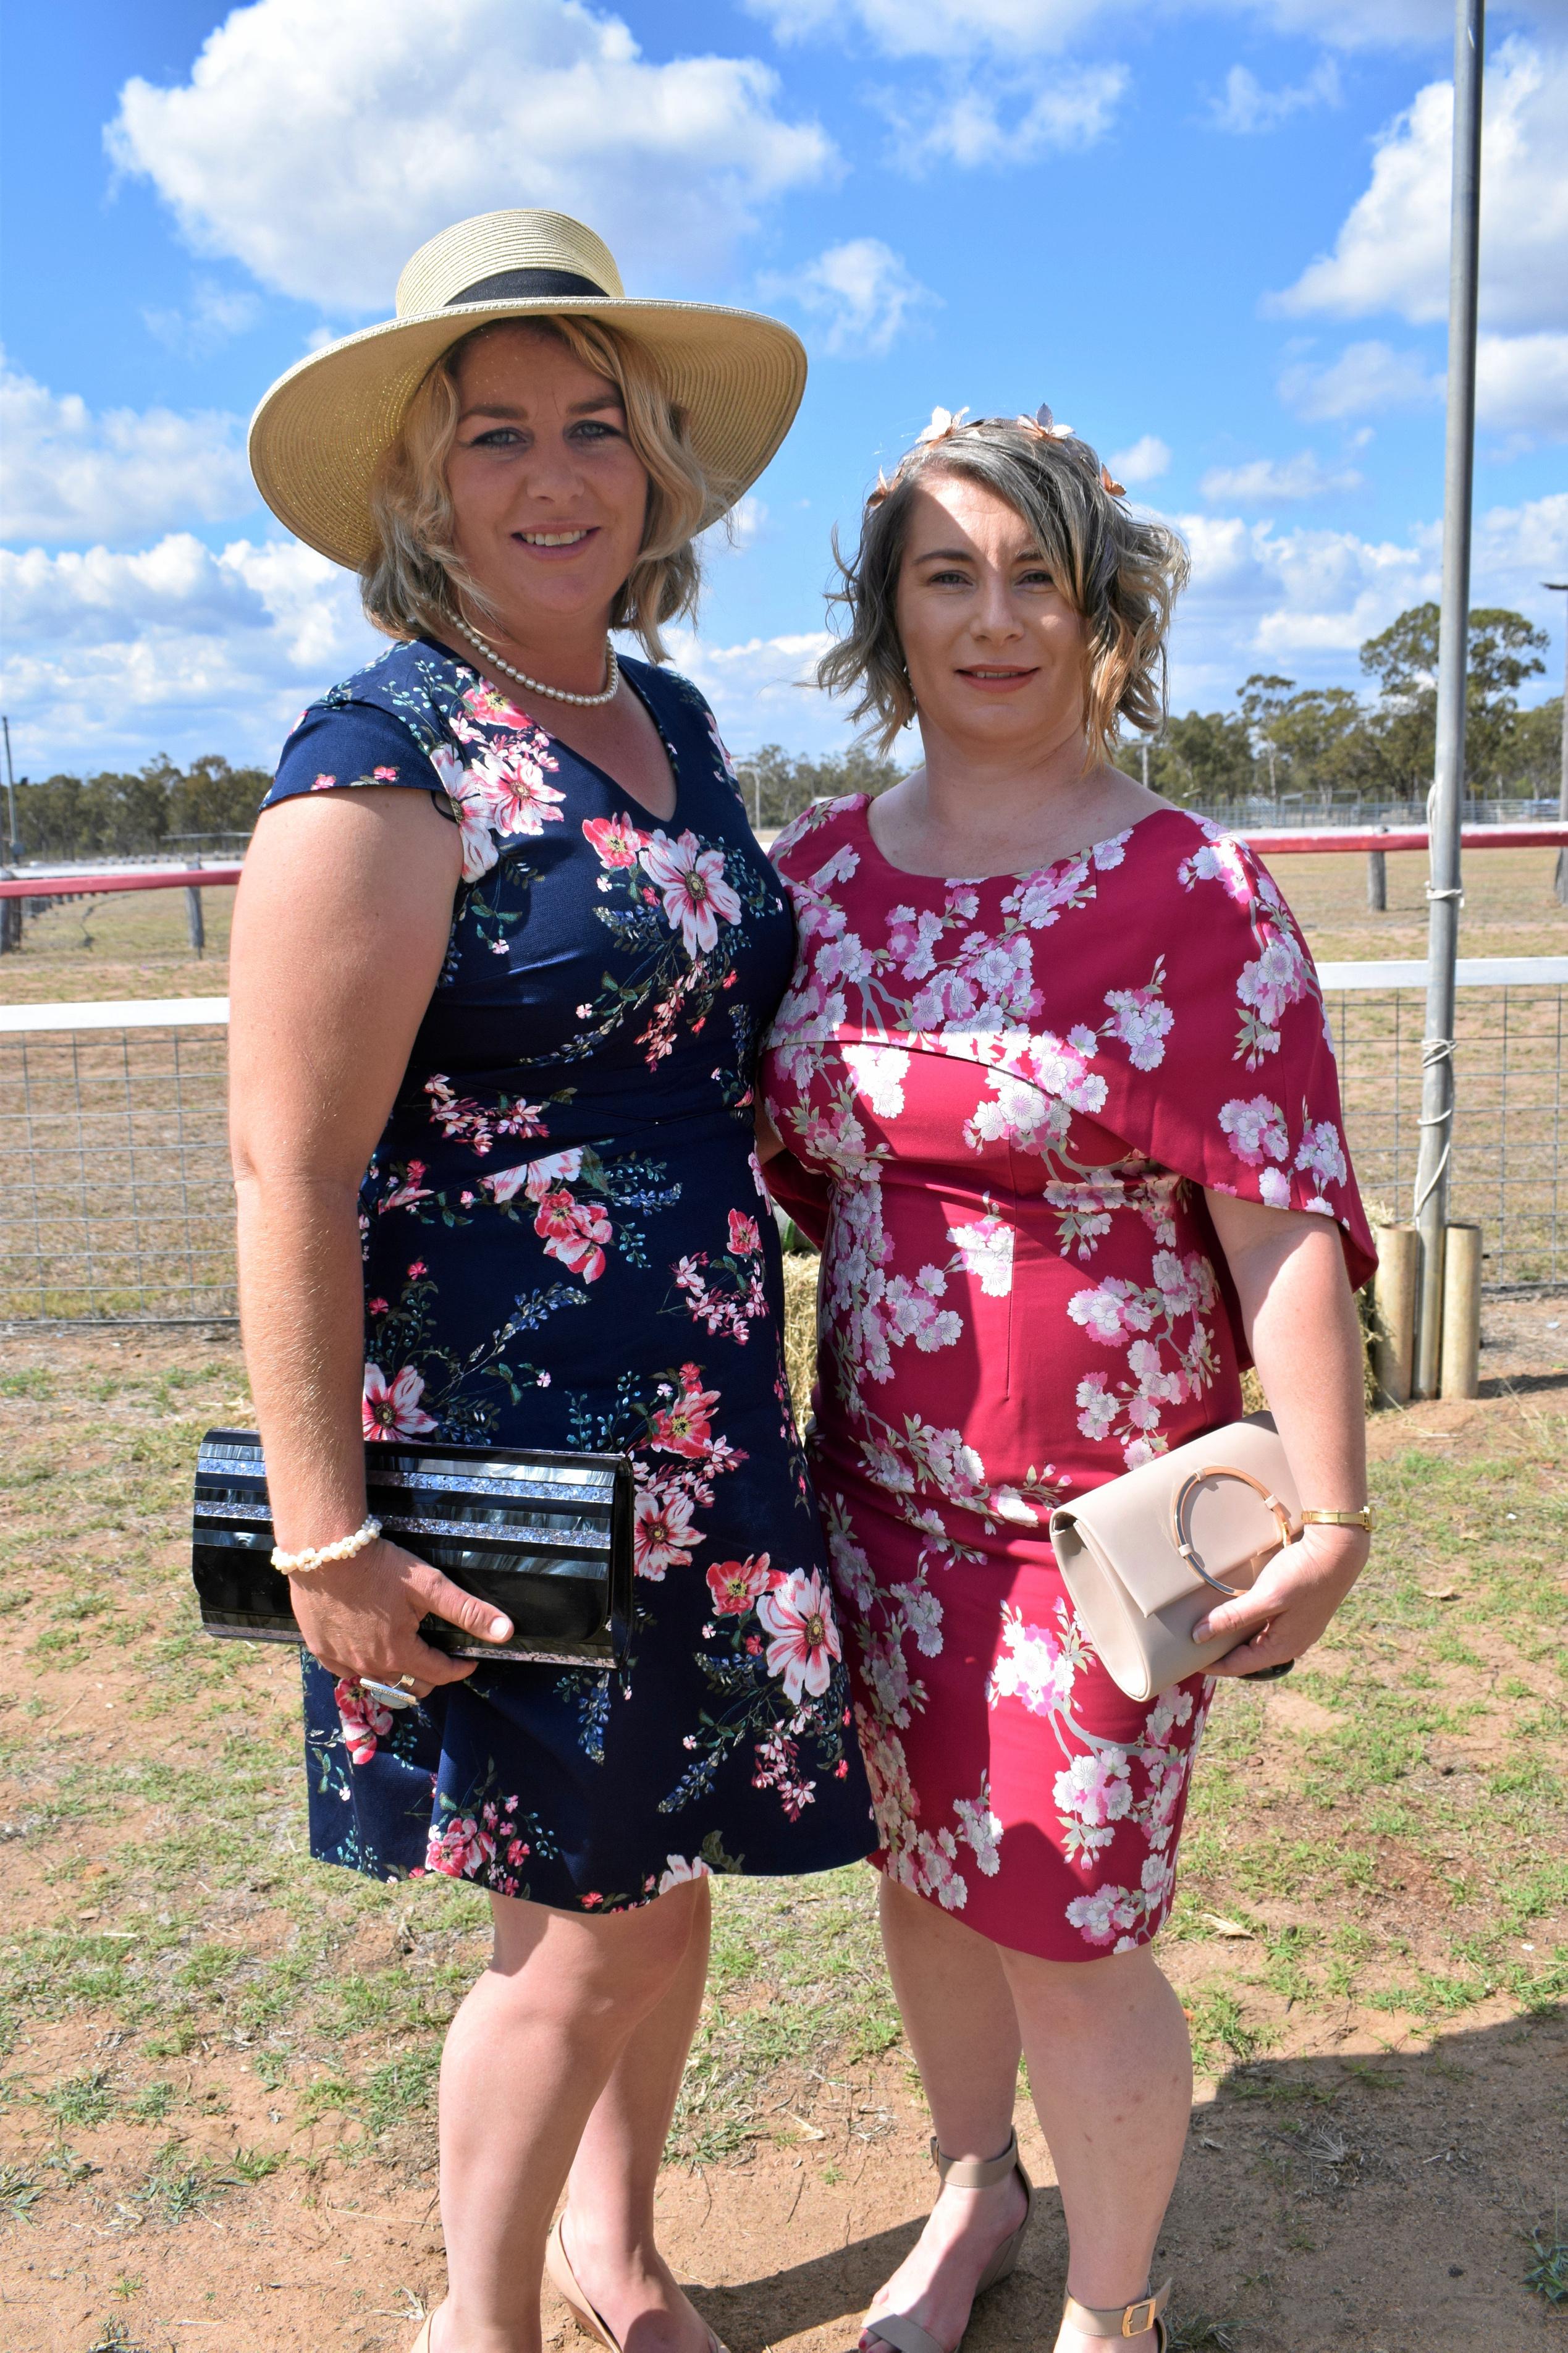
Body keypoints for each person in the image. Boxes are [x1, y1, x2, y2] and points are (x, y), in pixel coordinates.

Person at [230, 208, 873, 2353]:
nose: (554, 475)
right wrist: (327, 1530)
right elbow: (289, 1166)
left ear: (657, 470)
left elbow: (701, 1043)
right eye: (494, 432)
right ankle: (477, 2325)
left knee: (657, 1886)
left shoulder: (672, 722)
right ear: (422, 485)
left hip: (700, 1407)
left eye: (596, 426)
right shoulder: (380, 754)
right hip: (504, 1445)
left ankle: (615, 2253)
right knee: (570, 1929)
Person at [759, 408, 1376, 2353]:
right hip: (873, 1498)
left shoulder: (1191, 888)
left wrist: (1333, 1509)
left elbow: (1277, 1216)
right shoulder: (820, 882)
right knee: (933, 1880)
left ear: (1103, 604)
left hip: (1094, 1533)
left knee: (1074, 1930)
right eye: (949, 573)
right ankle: (971, 2195)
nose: (996, 617)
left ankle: (1110, 2311)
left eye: (1037, 574)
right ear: (888, 613)